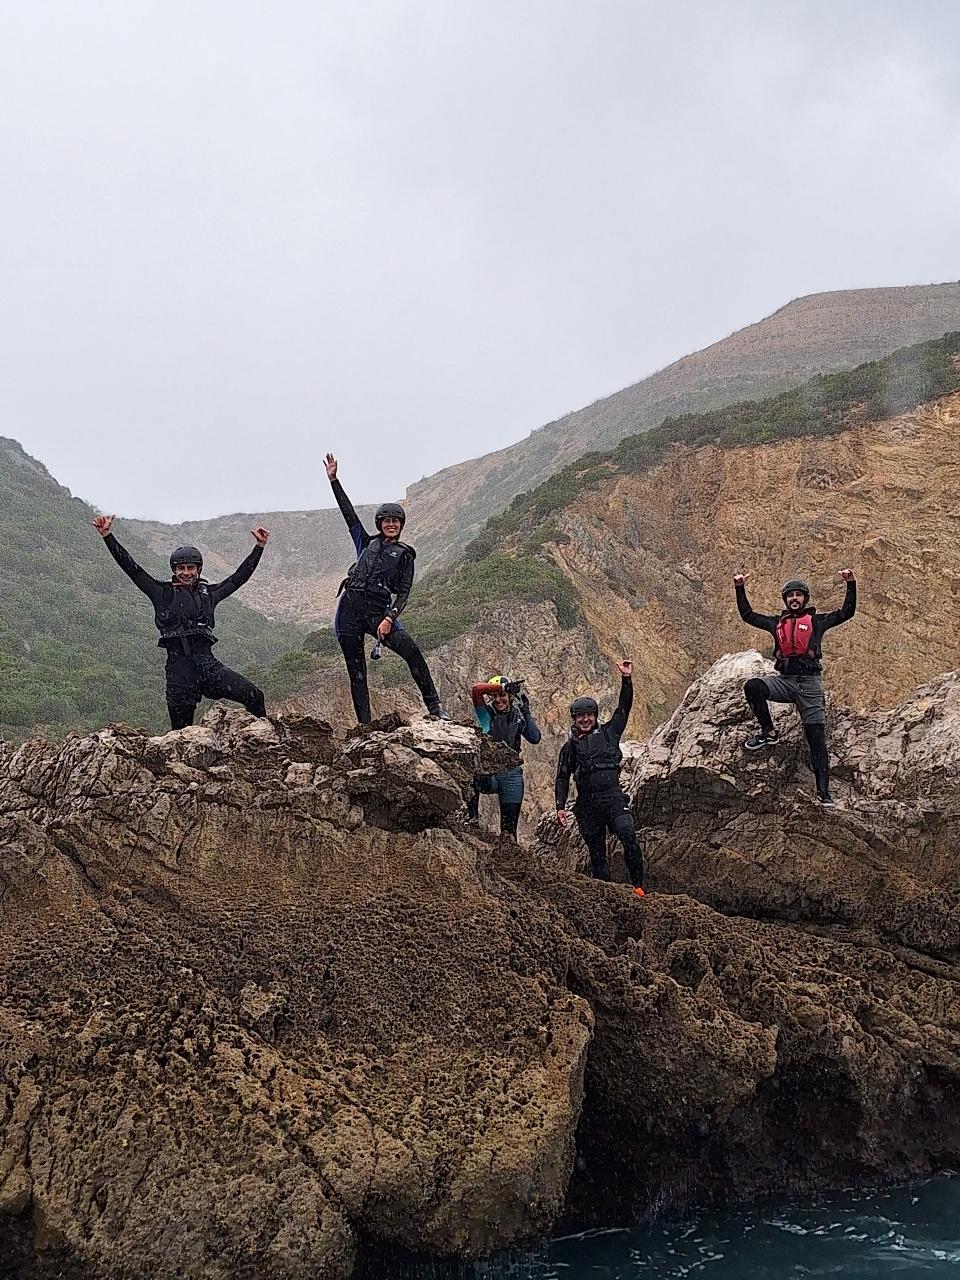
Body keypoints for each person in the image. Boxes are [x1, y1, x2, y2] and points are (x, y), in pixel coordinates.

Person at [92, 515, 270, 729]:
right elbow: (132, 569)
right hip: (179, 672)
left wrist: (259, 547)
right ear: (174, 570)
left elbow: (238, 578)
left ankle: (265, 741)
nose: (186, 573)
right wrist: (107, 536)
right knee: (181, 734)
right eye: (181, 568)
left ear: (198, 570)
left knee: (254, 696)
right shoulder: (161, 592)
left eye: (190, 568)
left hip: (209, 667)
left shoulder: (209, 594)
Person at [325, 452, 445, 723]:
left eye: (396, 521)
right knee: (357, 672)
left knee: (412, 652)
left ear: (401, 525)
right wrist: (334, 480)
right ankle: (365, 726)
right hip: (349, 611)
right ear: (379, 524)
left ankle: (436, 709)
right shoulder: (365, 543)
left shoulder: (405, 555)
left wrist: (390, 618)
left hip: (379, 611)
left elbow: (404, 593)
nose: (391, 524)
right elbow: (349, 514)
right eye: (386, 520)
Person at [734, 569, 857, 807]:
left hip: (810, 686)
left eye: (799, 595)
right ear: (785, 599)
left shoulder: (817, 622)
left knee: (816, 739)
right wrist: (740, 588)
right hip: (785, 681)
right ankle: (768, 733)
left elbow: (846, 612)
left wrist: (851, 583)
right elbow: (748, 615)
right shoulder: (775, 623)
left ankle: (824, 793)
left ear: (805, 599)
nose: (795, 599)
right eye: (791, 596)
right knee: (753, 687)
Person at [555, 660, 644, 896]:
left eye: (589, 715)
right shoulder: (569, 748)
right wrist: (560, 807)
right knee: (597, 853)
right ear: (574, 719)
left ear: (595, 716)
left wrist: (626, 679)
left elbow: (624, 707)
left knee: (628, 835)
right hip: (587, 804)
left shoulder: (610, 732)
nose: (585, 719)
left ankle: (638, 886)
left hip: (613, 797)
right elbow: (562, 777)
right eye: (580, 716)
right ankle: (607, 894)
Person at [466, 676, 541, 836]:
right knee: (468, 777)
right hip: (487, 774)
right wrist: (503, 687)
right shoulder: (486, 714)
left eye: (502, 696)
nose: (498, 700)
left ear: (510, 696)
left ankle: (508, 854)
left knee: (509, 831)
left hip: (510, 774)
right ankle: (471, 820)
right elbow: (476, 690)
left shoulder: (518, 716)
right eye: (494, 696)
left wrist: (526, 712)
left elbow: (535, 738)